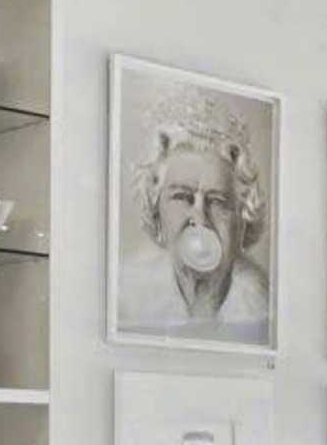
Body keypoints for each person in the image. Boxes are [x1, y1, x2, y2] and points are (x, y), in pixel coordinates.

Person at [116, 119, 272, 343]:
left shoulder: (267, 309)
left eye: (217, 201)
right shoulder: (126, 301)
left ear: (242, 219)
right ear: (156, 213)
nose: (200, 219)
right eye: (181, 197)